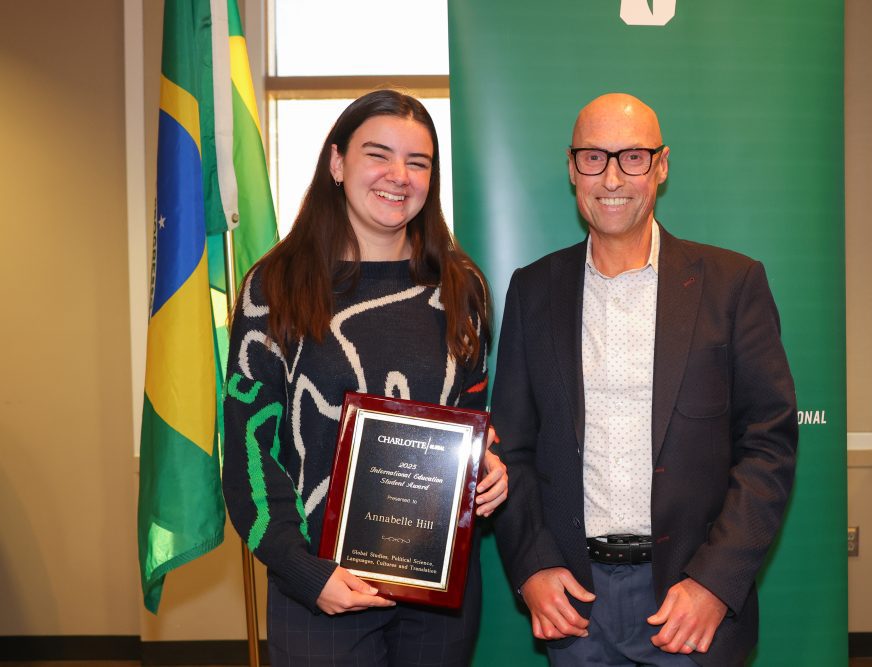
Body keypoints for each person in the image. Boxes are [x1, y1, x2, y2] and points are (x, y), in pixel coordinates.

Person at [490, 92, 797, 666]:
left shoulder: (732, 284)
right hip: (574, 605)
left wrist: (715, 582)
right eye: (592, 157)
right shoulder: (533, 290)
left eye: (632, 157)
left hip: (689, 603)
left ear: (661, 165)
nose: (611, 177)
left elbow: (768, 447)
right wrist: (532, 565)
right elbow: (512, 449)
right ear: (571, 166)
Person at [222, 89, 507, 666]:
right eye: (378, 154)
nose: (398, 176)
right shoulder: (275, 288)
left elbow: (474, 416)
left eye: (418, 162)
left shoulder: (461, 287)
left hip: (436, 594)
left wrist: (489, 466)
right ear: (336, 163)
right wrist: (305, 573)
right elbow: (248, 454)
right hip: (321, 592)